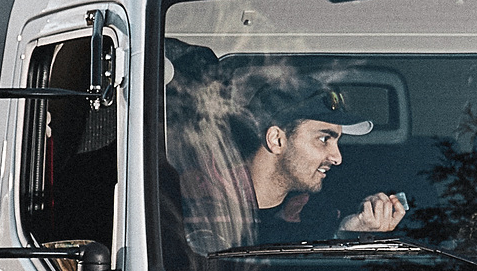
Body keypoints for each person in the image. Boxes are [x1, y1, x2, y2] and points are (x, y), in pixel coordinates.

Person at [172, 62, 406, 257]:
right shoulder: (198, 204)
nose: (337, 158)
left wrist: (348, 232)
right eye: (324, 139)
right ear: (277, 140)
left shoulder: (314, 213)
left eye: (337, 141)